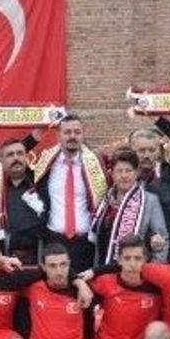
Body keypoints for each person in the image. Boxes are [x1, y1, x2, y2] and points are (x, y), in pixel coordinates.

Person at [23, 242, 105, 339]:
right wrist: (3, 259)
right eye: (52, 266)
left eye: (63, 265)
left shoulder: (83, 291)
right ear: (43, 267)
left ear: (69, 265)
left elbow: (119, 272)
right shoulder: (33, 287)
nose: (59, 271)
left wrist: (81, 283)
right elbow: (6, 274)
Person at [88, 236, 166, 339]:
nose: (132, 263)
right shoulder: (106, 281)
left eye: (137, 258)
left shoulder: (156, 286)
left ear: (145, 260)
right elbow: (78, 286)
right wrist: (84, 281)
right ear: (119, 261)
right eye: (127, 258)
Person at [33, 115, 107, 271]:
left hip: (85, 242)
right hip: (53, 239)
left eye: (77, 132)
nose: (72, 136)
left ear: (83, 134)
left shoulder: (97, 164)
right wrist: (33, 137)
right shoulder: (46, 162)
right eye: (67, 132)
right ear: (59, 135)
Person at [89, 148, 168, 266]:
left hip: (135, 270)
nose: (124, 175)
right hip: (103, 268)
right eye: (119, 171)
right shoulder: (105, 200)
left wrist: (152, 269)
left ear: (136, 173)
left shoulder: (149, 201)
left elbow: (162, 240)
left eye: (128, 171)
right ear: (112, 174)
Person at [0, 137, 44, 264]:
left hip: (37, 258)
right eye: (10, 155)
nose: (16, 158)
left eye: (20, 153)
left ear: (26, 157)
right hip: (1, 259)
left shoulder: (41, 182)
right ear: (1, 160)